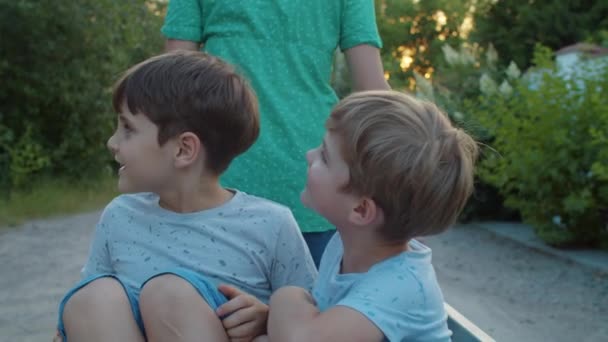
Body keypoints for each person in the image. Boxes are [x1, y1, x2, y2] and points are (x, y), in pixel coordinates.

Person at [55, 50, 317, 342]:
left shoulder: (271, 224)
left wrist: (268, 319)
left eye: (128, 128)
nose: (112, 143)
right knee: (92, 298)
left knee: (170, 296)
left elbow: (315, 321)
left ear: (183, 150)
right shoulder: (119, 216)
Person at [161, 0, 390, 266]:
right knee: (312, 305)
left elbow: (170, 87)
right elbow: (373, 92)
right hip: (314, 180)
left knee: (211, 304)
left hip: (216, 179)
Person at [265, 91, 479, 341]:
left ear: (361, 210)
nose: (309, 156)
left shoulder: (399, 287)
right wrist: (268, 318)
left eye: (324, 156)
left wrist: (287, 298)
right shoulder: (344, 245)